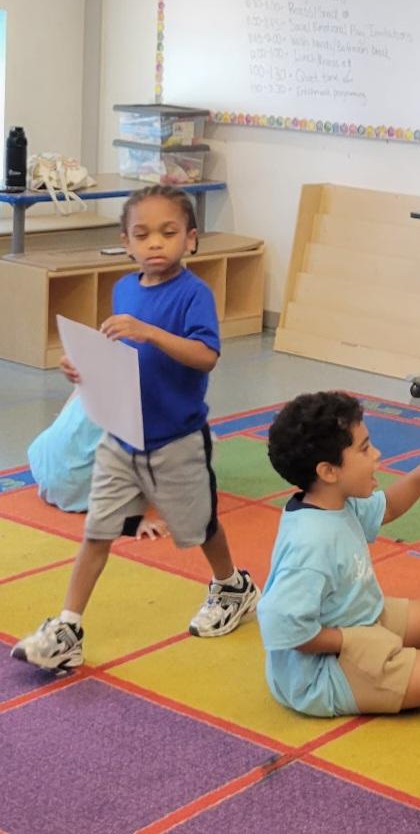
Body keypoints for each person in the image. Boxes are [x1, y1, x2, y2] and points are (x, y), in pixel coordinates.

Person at [12, 186, 259, 674]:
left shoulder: (194, 294)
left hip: (177, 439)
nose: (154, 244)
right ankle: (68, 627)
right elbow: (120, 359)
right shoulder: (125, 289)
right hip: (121, 437)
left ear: (190, 239)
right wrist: (82, 367)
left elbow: (206, 356)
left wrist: (150, 333)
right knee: (96, 533)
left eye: (168, 233)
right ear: (125, 242)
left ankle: (232, 586)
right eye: (142, 235)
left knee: (200, 526)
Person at [258, 392, 420, 717]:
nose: (377, 454)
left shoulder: (336, 501)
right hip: (319, 672)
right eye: (365, 448)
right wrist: (350, 642)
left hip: (362, 617)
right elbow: (284, 627)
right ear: (328, 471)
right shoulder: (310, 544)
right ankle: (385, 658)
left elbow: (390, 506)